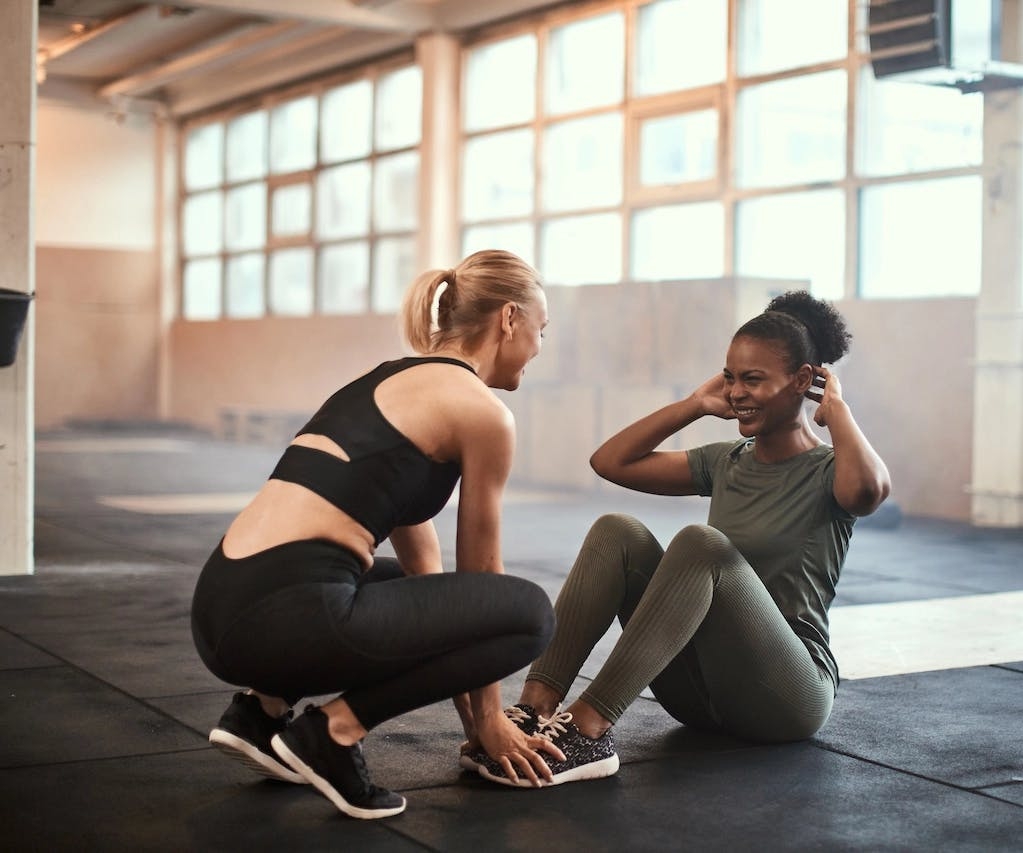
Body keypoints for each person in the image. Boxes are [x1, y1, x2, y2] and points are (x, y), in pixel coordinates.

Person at [190, 249, 566, 820]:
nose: (539, 347)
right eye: (540, 330)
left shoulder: (387, 382)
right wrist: (492, 723)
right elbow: (482, 575)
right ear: (509, 319)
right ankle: (333, 733)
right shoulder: (482, 413)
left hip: (222, 607)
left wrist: (473, 731)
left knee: (416, 587)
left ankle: (261, 713)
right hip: (284, 619)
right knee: (529, 613)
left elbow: (435, 587)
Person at [466, 290, 891, 787]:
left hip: (786, 698)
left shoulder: (828, 471)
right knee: (617, 531)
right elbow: (610, 462)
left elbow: (868, 490)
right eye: (731, 377)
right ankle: (533, 714)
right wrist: (693, 405)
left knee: (702, 545)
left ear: (803, 381)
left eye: (753, 379)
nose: (736, 392)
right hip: (700, 695)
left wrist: (837, 410)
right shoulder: (727, 461)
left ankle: (588, 729)